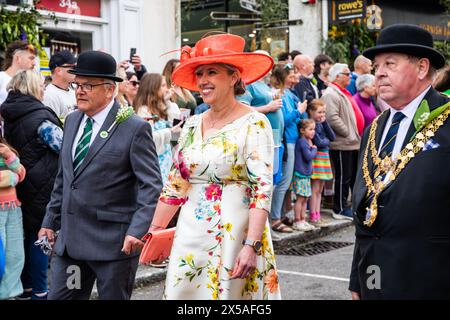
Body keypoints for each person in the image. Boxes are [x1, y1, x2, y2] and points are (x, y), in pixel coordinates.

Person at [148, 33, 281, 300]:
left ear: (234, 77)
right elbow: (176, 184)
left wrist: (251, 245)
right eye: (199, 74)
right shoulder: (193, 123)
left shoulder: (254, 122)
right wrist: (153, 231)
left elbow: (262, 189)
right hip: (190, 233)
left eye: (212, 72)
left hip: (237, 236)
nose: (203, 81)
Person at [38, 51, 162, 300]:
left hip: (113, 246)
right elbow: (64, 178)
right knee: (64, 297)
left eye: (88, 85)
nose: (79, 91)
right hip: (72, 247)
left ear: (109, 90)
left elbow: (151, 184)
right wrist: (49, 221)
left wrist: (137, 230)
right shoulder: (72, 121)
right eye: (77, 84)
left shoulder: (133, 128)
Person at [350, 24, 450, 299]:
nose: (378, 72)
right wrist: (358, 281)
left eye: (389, 64)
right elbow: (365, 209)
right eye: (376, 65)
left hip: (431, 281)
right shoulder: (374, 130)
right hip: (375, 279)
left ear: (421, 68)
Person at [0, 70, 63, 300]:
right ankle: (40, 291)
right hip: (42, 184)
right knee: (41, 236)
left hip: (22, 186)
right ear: (32, 88)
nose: (44, 89)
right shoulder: (40, 117)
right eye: (41, 85)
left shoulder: (8, 113)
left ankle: (26, 289)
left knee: (25, 238)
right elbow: (64, 147)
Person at [321, 63, 362, 220]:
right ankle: (339, 208)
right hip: (342, 142)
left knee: (350, 176)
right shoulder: (331, 94)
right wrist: (348, 133)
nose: (350, 77)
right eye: (346, 74)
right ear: (337, 76)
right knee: (343, 177)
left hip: (350, 142)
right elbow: (331, 118)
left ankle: (345, 205)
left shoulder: (341, 92)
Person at [270, 63, 307, 233]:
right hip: (286, 139)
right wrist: (299, 111)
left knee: (286, 182)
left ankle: (281, 214)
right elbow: (283, 119)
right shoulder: (278, 94)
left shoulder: (288, 94)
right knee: (282, 182)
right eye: (291, 74)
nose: (294, 78)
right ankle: (275, 219)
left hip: (292, 139)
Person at [134, 73, 182, 183]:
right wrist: (169, 132)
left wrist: (167, 102)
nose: (167, 89)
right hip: (154, 162)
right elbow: (149, 138)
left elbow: (176, 122)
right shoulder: (144, 111)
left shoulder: (160, 108)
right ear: (153, 88)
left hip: (166, 159)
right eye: (163, 85)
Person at [0, 139, 26, 300]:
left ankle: (9, 294)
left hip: (12, 208)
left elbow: (21, 173)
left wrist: (9, 155)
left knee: (15, 255)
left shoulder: (4, 149)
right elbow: (15, 176)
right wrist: (11, 177)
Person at [307, 99, 335, 226]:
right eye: (319, 112)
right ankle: (313, 215)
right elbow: (319, 142)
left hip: (324, 156)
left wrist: (325, 124)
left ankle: (317, 214)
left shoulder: (321, 123)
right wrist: (326, 141)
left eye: (324, 112)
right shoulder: (312, 124)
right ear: (311, 112)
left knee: (320, 189)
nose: (322, 115)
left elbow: (332, 137)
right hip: (317, 157)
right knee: (315, 188)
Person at [291, 119, 317, 232]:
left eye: (314, 129)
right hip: (300, 174)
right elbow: (308, 156)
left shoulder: (306, 141)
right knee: (300, 198)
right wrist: (314, 149)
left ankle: (302, 220)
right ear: (302, 130)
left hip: (305, 174)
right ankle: (297, 221)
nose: (313, 132)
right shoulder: (302, 142)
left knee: (305, 198)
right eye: (310, 129)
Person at [0, 41, 37, 105]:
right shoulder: (1, 78)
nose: (34, 63)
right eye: (31, 58)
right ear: (18, 58)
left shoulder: (30, 82)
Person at [43, 50, 77, 119]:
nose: (76, 70)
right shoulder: (49, 96)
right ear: (58, 70)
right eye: (73, 67)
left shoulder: (74, 90)